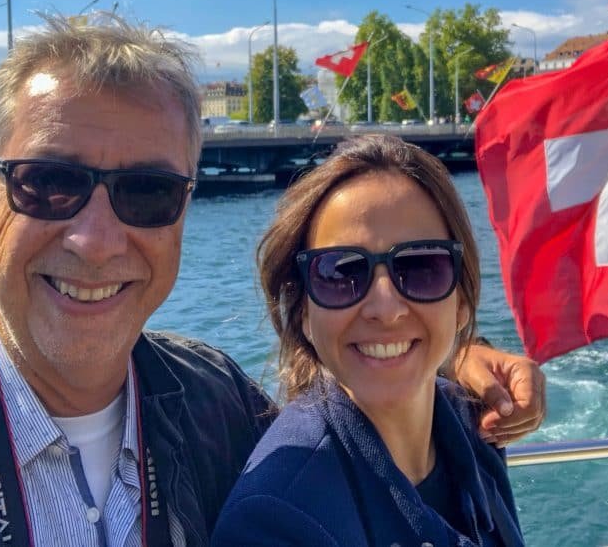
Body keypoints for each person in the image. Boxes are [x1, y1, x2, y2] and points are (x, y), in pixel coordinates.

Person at [0, 15, 543, 546]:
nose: (96, 239)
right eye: (49, 183)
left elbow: (355, 386)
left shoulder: (212, 402)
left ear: (182, 209)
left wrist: (449, 352)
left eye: (146, 193)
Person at [213, 135, 524, 547]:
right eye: (341, 274)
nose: (385, 307)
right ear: (303, 311)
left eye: (420, 267)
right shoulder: (275, 518)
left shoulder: (474, 426)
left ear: (462, 302)